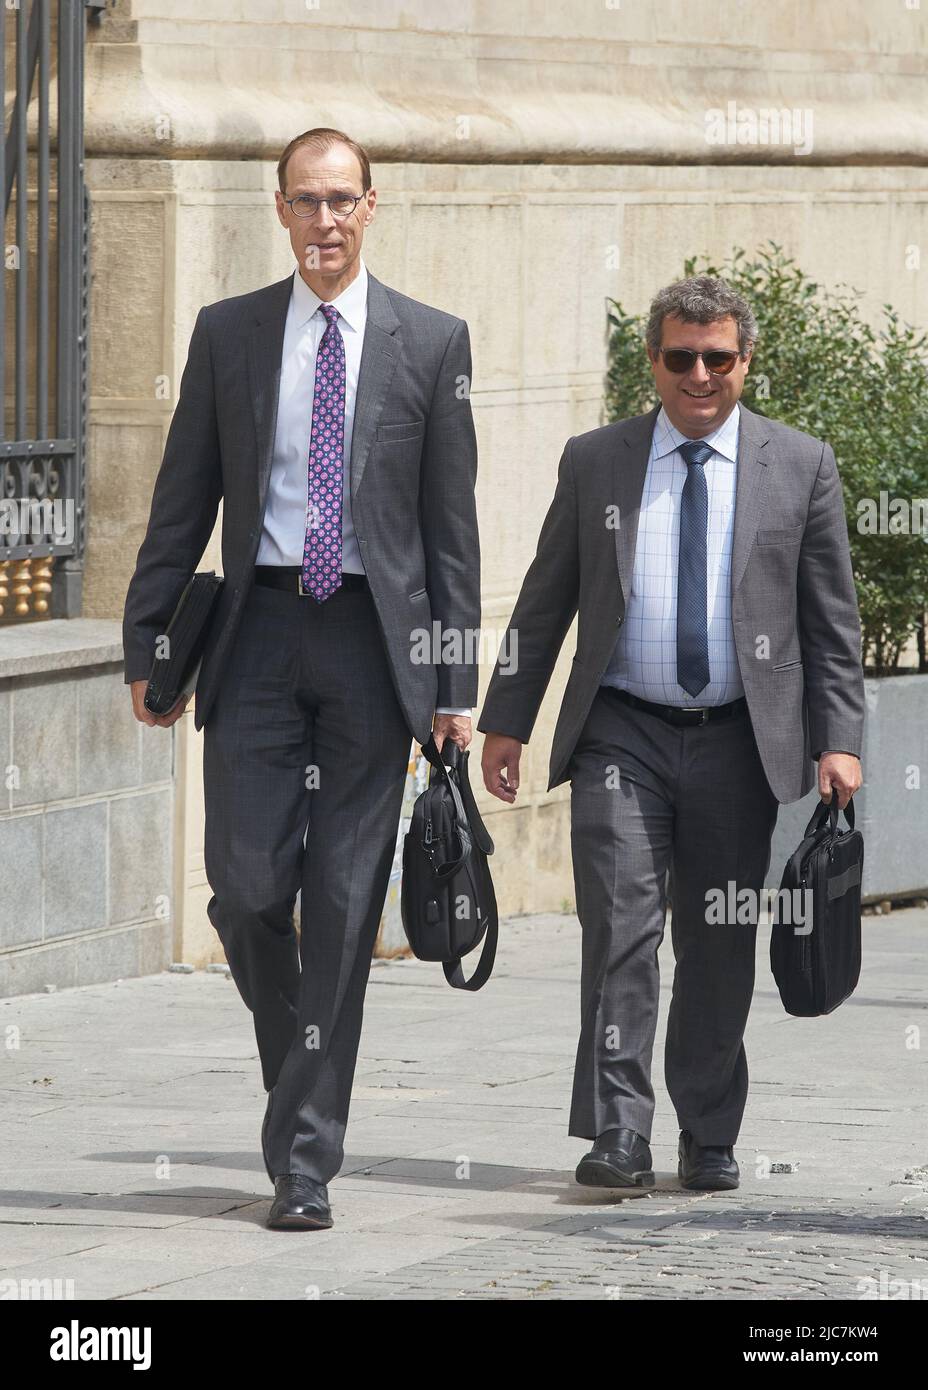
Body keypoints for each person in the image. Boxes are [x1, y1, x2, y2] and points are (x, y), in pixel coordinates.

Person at [123, 128, 479, 1230]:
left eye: (341, 201)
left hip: (375, 648)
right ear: (279, 211)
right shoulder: (228, 334)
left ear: (371, 207)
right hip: (260, 632)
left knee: (339, 901)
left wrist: (453, 683)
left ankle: (305, 1160)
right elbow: (183, 495)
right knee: (243, 889)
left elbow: (451, 529)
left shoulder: (431, 342)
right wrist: (148, 643)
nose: (323, 222)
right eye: (303, 203)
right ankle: (303, 1086)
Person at [478, 275, 864, 1193]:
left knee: (718, 939)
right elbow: (545, 598)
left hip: (739, 739)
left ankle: (709, 1129)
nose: (700, 375)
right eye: (680, 357)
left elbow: (831, 622)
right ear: (652, 362)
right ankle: (618, 1132)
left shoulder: (798, 465)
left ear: (744, 360)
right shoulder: (596, 461)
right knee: (618, 929)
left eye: (718, 357)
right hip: (622, 733)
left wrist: (838, 737)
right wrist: (505, 718)